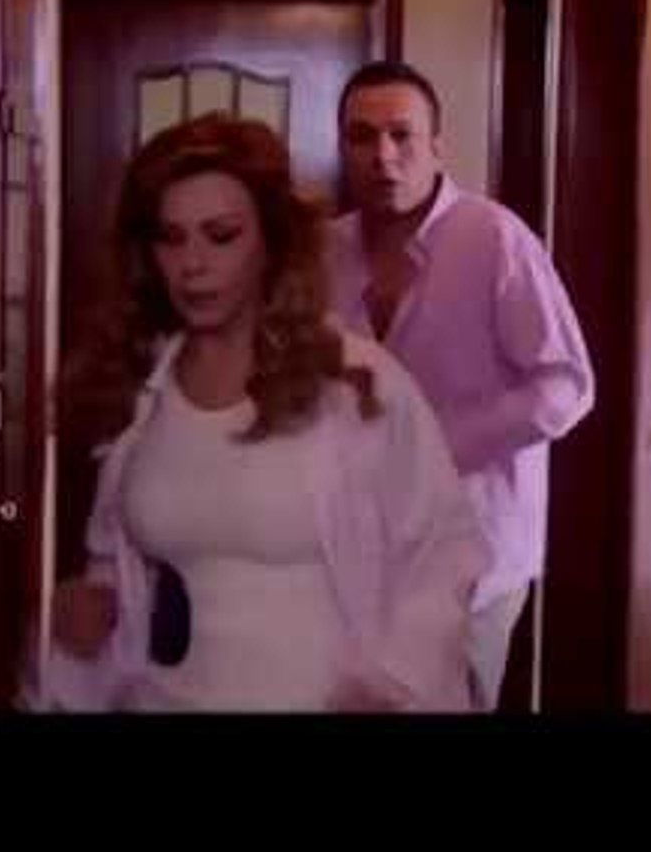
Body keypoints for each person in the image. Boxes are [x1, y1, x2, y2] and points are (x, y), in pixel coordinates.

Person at [25, 113, 487, 713]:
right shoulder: (142, 395)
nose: (192, 264)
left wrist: (390, 686)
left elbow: (446, 552)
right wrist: (86, 606)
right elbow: (120, 570)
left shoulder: (355, 383)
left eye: (221, 236)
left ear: (272, 240)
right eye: (170, 237)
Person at [327, 61, 595, 710]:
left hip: (472, 559)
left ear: (437, 146)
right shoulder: (322, 251)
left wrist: (438, 445)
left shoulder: (494, 238)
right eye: (362, 137)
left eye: (401, 135)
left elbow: (566, 385)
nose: (382, 156)